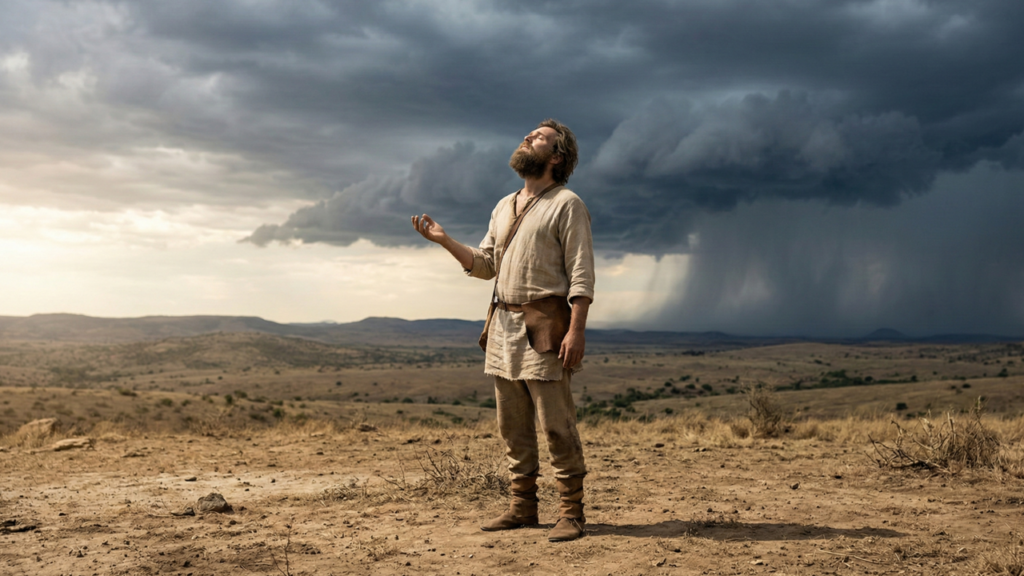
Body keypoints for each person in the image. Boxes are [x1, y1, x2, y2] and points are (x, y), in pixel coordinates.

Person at [411, 119, 594, 542]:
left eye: (539, 137)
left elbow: (581, 275)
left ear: (556, 157)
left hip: (546, 327)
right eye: (529, 134)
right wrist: (444, 240)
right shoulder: (503, 205)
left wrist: (577, 331)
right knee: (512, 427)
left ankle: (571, 513)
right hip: (502, 327)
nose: (527, 138)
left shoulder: (567, 204)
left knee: (556, 425)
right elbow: (486, 264)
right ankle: (523, 507)